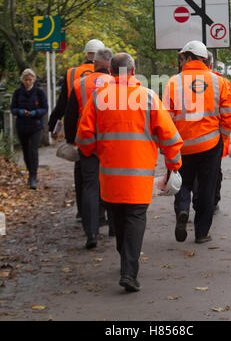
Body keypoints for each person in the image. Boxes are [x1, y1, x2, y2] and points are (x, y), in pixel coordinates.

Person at [75, 53, 183, 292]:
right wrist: (173, 166)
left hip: (110, 177)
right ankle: (129, 271)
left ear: (111, 72)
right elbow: (171, 137)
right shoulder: (148, 98)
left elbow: (83, 139)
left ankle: (126, 264)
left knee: (118, 219)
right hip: (139, 177)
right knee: (135, 218)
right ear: (133, 72)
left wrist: (95, 150)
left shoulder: (98, 98)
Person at [163, 40, 231, 244]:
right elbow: (229, 113)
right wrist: (223, 134)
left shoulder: (173, 82)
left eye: (182, 57)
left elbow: (165, 116)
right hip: (210, 144)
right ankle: (202, 233)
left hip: (182, 144)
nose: (180, 60)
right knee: (206, 187)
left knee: (182, 182)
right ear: (204, 59)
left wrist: (168, 143)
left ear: (188, 58)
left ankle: (183, 210)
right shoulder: (218, 82)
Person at [48, 38, 105, 218]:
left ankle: (83, 212)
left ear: (86, 53)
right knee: (103, 174)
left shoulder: (72, 73)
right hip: (105, 132)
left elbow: (64, 105)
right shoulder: (109, 73)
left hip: (81, 132)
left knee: (82, 174)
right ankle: (102, 213)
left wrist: (53, 124)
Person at [64, 47, 114, 249]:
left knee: (90, 186)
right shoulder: (117, 84)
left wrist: (71, 141)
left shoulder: (80, 84)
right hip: (112, 142)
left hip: (87, 142)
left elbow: (70, 116)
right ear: (111, 66)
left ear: (94, 64)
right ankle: (113, 227)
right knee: (111, 184)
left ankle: (91, 232)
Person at [204, 51, 231, 212]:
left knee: (192, 175)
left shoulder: (180, 82)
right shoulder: (222, 82)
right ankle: (213, 202)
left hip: (188, 140)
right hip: (217, 138)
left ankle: (193, 203)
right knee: (214, 172)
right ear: (211, 64)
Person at [10, 68, 48, 189]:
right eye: (26, 80)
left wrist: (34, 113)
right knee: (26, 151)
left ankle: (33, 177)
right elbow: (13, 108)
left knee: (33, 150)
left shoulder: (39, 92)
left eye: (30, 80)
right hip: (22, 125)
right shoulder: (17, 93)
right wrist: (20, 112)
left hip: (36, 125)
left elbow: (45, 109)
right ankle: (30, 172)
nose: (28, 82)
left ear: (33, 80)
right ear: (22, 80)